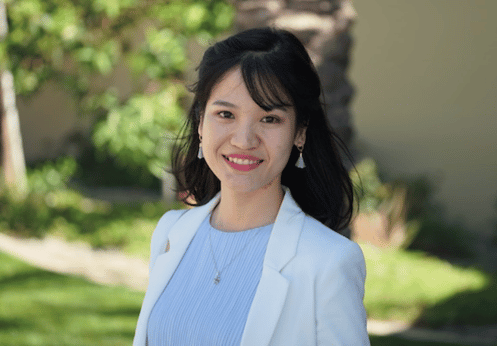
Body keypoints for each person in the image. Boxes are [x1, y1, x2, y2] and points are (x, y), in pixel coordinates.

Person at [133, 27, 370, 346]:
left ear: (299, 132)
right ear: (201, 123)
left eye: (269, 119)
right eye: (226, 114)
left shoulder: (329, 262)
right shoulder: (169, 234)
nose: (244, 140)